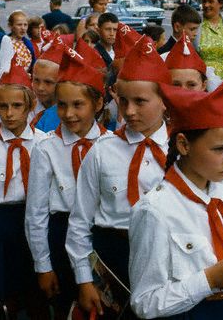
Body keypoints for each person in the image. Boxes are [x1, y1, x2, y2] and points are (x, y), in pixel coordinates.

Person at [129, 73, 223, 319]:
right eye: (219, 149)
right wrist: (209, 279)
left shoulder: (221, 190)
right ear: (183, 145)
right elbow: (145, 302)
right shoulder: (155, 210)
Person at [66, 35, 171, 316]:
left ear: (165, 100)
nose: (129, 111)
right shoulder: (102, 151)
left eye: (140, 101)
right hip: (112, 257)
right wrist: (85, 279)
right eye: (123, 101)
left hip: (167, 257)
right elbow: (79, 221)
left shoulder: (181, 149)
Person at [26, 46, 106, 319]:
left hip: (102, 236)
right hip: (60, 234)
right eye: (62, 105)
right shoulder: (46, 148)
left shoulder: (111, 144)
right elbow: (35, 213)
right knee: (68, 308)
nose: (69, 114)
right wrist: (43, 266)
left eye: (78, 105)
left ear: (97, 104)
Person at [0, 62, 47, 318]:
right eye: (3, 106)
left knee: (37, 290)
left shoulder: (44, 142)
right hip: (1, 224)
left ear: (30, 106)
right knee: (5, 294)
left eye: (17, 106)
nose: (9, 113)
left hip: (36, 220)